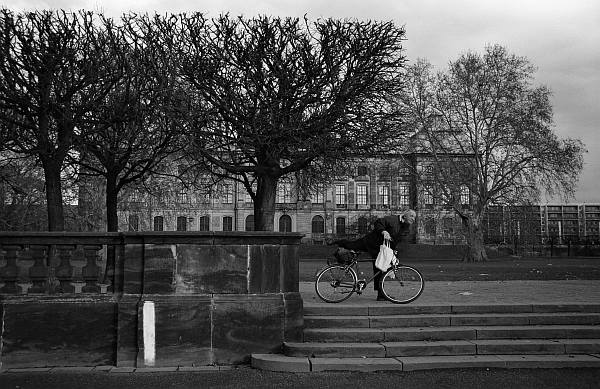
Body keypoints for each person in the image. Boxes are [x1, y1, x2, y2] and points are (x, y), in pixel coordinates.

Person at [333, 209, 416, 300]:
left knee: (380, 270)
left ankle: (380, 295)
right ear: (405, 215)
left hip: (381, 249)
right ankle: (338, 248)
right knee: (352, 245)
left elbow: (395, 240)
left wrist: (393, 250)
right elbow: (378, 223)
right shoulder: (392, 219)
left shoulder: (406, 228)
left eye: (414, 217)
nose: (413, 219)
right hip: (370, 242)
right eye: (412, 216)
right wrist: (384, 231)